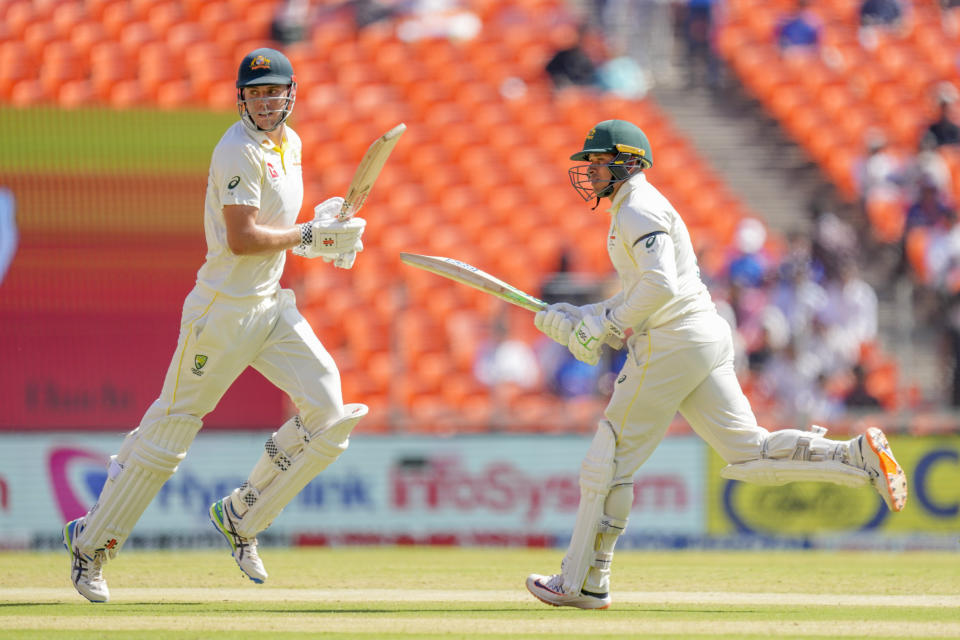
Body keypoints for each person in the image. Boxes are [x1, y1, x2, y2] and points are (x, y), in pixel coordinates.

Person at [525, 119, 908, 610]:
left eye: (599, 162)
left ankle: (581, 581)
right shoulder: (636, 206)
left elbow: (660, 286)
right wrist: (588, 317)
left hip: (673, 339)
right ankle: (855, 457)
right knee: (750, 453)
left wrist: (603, 324)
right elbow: (652, 286)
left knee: (608, 459)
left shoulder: (637, 207)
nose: (591, 171)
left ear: (626, 163)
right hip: (700, 334)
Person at [60, 48, 370, 603]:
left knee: (328, 409)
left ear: (291, 93)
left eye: (275, 92)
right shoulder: (236, 150)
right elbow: (242, 238)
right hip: (222, 311)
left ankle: (242, 515)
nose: (267, 102)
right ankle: (91, 543)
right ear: (241, 98)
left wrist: (328, 227)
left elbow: (282, 229)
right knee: (172, 431)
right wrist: (308, 237)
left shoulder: (291, 144)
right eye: (256, 94)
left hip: (270, 305)